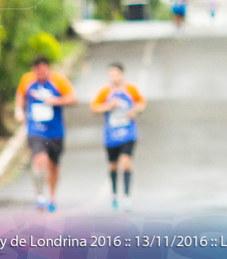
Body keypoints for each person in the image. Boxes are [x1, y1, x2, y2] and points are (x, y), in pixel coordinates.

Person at [15, 55, 77, 212]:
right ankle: (39, 195)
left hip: (55, 131)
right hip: (35, 129)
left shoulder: (59, 81)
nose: (41, 74)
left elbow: (72, 98)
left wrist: (55, 101)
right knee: (39, 158)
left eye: (44, 71)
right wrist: (19, 111)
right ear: (33, 70)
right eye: (38, 71)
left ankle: (52, 196)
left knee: (53, 166)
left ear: (48, 68)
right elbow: (20, 95)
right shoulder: (27, 80)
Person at [90, 62, 147, 211]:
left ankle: (127, 196)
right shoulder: (105, 91)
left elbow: (141, 102)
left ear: (122, 74)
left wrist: (135, 111)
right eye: (111, 75)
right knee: (113, 165)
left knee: (126, 162)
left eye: (116, 74)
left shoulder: (130, 89)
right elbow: (94, 107)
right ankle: (115, 194)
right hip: (111, 135)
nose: (113, 77)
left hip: (128, 133)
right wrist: (109, 106)